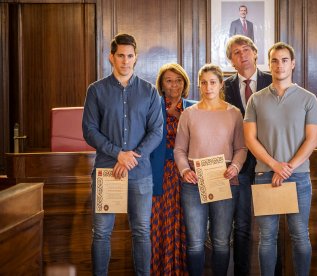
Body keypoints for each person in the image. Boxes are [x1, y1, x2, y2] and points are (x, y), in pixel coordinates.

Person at [82, 33, 163, 276]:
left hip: (140, 174)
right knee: (101, 232)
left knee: (141, 231)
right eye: (120, 56)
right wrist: (118, 154)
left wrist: (131, 157)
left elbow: (157, 131)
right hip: (107, 171)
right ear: (111, 57)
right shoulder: (96, 91)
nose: (125, 61)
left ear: (135, 58)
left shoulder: (149, 92)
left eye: (129, 56)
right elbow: (89, 130)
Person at [244, 42, 317, 276]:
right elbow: (250, 139)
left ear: (293, 63)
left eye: (284, 60)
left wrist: (287, 168)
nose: (279, 65)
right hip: (265, 175)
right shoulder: (255, 100)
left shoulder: (309, 99)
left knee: (300, 235)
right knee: (267, 237)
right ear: (269, 64)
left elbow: (312, 140)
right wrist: (275, 165)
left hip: (298, 177)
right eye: (275, 60)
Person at [174, 64, 247, 276]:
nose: (208, 87)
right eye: (204, 82)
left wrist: (235, 166)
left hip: (224, 179)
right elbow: (179, 149)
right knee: (195, 242)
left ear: (221, 84)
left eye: (213, 82)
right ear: (199, 85)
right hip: (193, 182)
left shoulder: (234, 114)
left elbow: (241, 148)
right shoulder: (189, 114)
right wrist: (184, 170)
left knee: (221, 241)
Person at [224, 35, 272, 275]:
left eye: (246, 50)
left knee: (271, 228)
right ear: (231, 61)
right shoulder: (224, 87)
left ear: (255, 53)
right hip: (238, 166)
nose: (242, 55)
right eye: (236, 53)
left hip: (268, 164)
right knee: (241, 226)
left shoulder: (274, 81)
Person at [150, 63, 196, 275]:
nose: (174, 85)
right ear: (161, 84)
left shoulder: (194, 107)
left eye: (178, 80)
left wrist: (180, 118)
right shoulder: (152, 106)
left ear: (184, 83)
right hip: (159, 173)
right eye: (169, 80)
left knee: (187, 225)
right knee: (160, 225)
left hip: (187, 173)